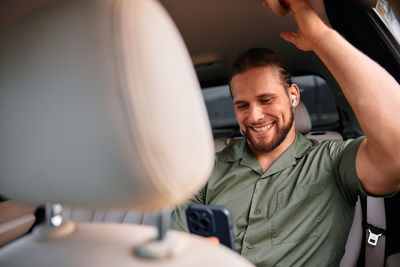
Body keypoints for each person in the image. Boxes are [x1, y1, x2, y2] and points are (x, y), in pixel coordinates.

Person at [172, 0, 400, 266]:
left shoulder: (333, 160)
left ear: (293, 97)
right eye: (242, 105)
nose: (254, 116)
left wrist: (321, 37)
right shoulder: (206, 170)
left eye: (266, 100)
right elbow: (178, 254)